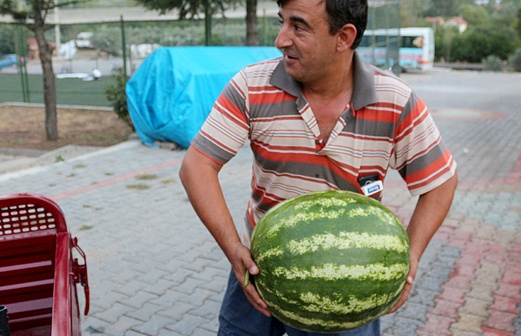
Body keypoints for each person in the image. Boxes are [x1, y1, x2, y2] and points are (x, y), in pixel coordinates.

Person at [179, 0, 458, 334]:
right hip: (258, 265)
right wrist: (234, 249)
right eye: (281, 22)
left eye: (298, 27)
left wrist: (410, 255)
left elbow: (441, 182)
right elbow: (197, 165)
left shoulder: (395, 101)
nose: (281, 39)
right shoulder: (251, 86)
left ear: (343, 37)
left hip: (351, 278)